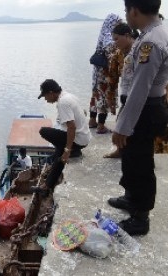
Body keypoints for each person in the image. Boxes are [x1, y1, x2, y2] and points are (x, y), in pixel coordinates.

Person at [108, 0, 168, 236]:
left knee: (141, 162)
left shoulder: (151, 42)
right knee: (131, 157)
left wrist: (122, 126)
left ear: (134, 10)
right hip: (147, 106)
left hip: (145, 108)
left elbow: (140, 89)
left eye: (126, 11)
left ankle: (140, 218)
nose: (127, 15)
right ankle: (131, 198)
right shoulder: (154, 32)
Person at [34, 79, 92, 195]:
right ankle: (47, 185)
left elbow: (72, 127)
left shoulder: (62, 103)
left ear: (51, 93)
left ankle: (71, 151)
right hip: (84, 138)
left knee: (44, 131)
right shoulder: (69, 96)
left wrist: (67, 150)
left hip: (78, 140)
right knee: (59, 153)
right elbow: (83, 113)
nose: (45, 100)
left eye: (45, 96)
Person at [104, 23, 140, 158]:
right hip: (126, 96)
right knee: (120, 124)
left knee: (140, 129)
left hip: (140, 97)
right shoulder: (118, 54)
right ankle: (120, 151)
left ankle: (145, 157)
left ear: (127, 36)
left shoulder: (140, 51)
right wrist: (111, 98)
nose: (114, 43)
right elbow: (112, 77)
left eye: (116, 39)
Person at [89, 13, 122, 134]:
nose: (119, 24)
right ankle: (101, 126)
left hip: (97, 71)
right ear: (112, 23)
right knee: (104, 96)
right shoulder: (109, 34)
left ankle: (92, 121)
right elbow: (109, 50)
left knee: (96, 94)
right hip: (105, 72)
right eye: (118, 22)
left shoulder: (103, 32)